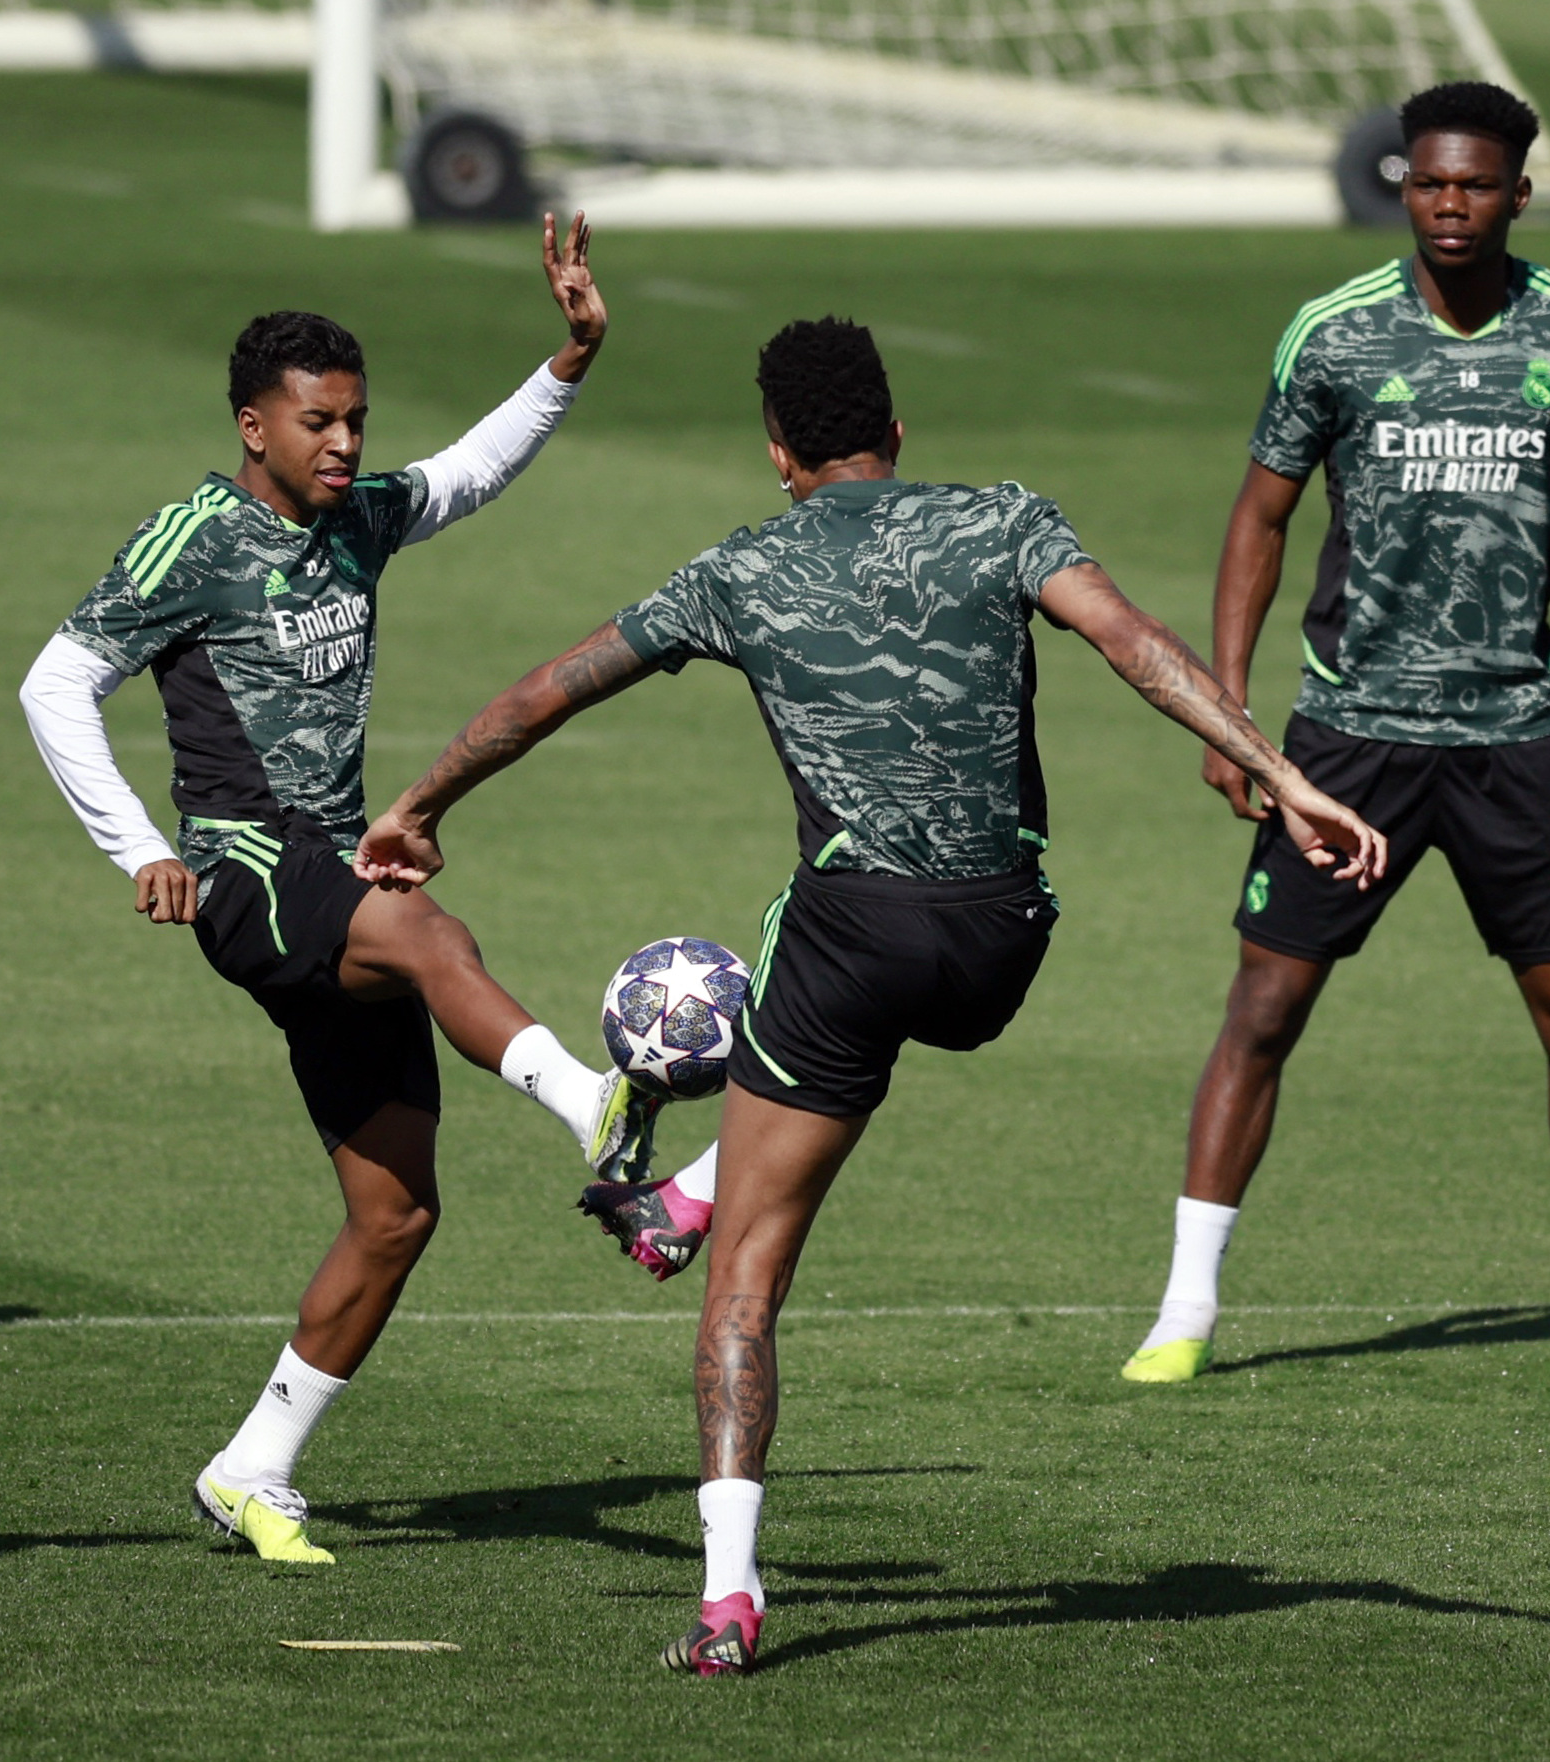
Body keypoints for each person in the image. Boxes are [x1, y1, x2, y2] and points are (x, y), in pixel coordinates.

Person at [352, 317, 1386, 1674]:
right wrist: (1288, 774)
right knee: (844, 1034)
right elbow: (1135, 647)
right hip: (1005, 938)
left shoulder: (740, 565)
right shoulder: (1005, 519)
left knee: (749, 1276)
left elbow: (552, 690)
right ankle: (685, 1190)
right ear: (895, 437)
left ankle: (729, 1594)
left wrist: (423, 800)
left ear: (776, 452)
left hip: (852, 939)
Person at [17, 215, 657, 1567]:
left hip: (330, 875)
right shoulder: (192, 537)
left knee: (397, 1212)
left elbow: (468, 476)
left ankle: (252, 1467)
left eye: (357, 420)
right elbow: (56, 678)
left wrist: (572, 356)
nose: (346, 445)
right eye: (319, 422)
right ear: (254, 424)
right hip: (251, 873)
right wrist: (139, 843)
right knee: (429, 928)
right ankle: (592, 1102)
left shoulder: (359, 521)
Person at [1121, 80, 1550, 1386]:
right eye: (1428, 184)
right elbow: (1260, 517)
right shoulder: (1333, 334)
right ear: (1404, 186)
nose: (1450, 206)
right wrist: (1225, 709)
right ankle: (1184, 1310)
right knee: (1265, 1004)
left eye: (1476, 186)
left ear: (1519, 192)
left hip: (1515, 737)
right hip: (1347, 738)